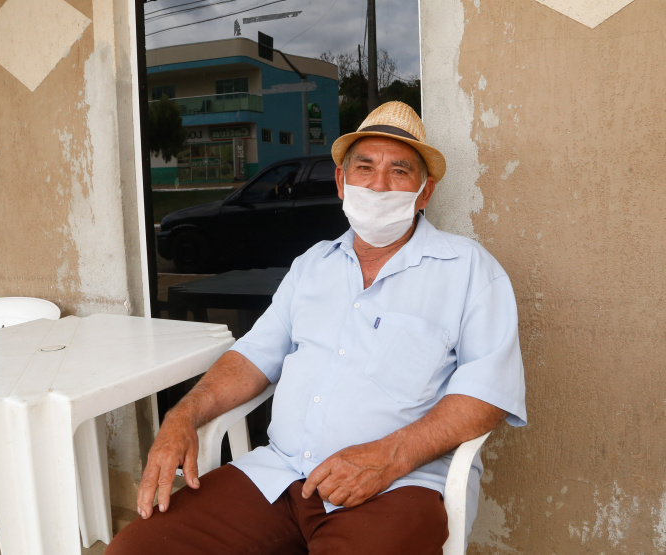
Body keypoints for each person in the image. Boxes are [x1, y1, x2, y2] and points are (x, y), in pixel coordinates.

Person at [106, 101, 527, 554]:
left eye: (399, 171)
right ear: (343, 183)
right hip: (279, 476)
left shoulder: (468, 271)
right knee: (136, 549)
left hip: (395, 487)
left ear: (424, 192)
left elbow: (486, 394)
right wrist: (181, 416)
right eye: (364, 167)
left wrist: (386, 458)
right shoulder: (312, 265)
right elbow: (253, 356)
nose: (379, 185)